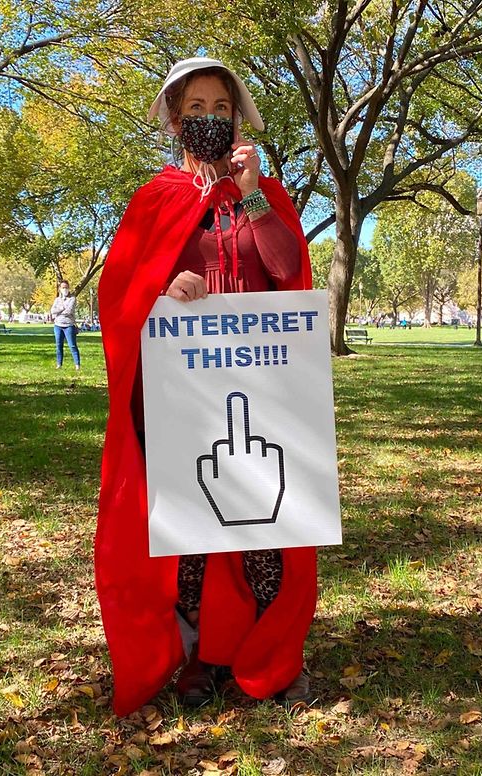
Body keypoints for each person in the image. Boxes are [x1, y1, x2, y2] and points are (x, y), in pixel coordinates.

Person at [95, 57, 315, 717]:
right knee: (191, 535)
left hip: (262, 384)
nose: (210, 119)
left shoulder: (264, 196)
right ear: (173, 119)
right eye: (196, 108)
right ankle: (200, 662)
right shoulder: (155, 198)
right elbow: (123, 295)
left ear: (240, 117)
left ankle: (270, 658)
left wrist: (249, 192)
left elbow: (286, 271)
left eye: (222, 106)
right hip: (179, 391)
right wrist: (164, 294)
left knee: (265, 528)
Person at [49, 279, 81, 370]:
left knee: (72, 345)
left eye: (66, 287)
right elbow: (52, 311)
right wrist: (62, 308)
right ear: (60, 289)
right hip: (58, 325)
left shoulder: (72, 299)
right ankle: (59, 364)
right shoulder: (57, 299)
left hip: (69, 325)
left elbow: (69, 311)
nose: (65, 289)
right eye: (63, 288)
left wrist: (59, 311)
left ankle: (77, 365)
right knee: (59, 345)